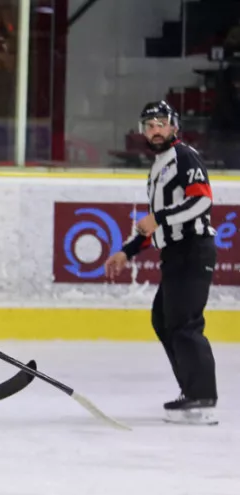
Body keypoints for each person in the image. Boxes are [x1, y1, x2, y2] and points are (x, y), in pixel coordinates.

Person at [104, 101, 219, 426]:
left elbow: (201, 200)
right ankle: (192, 391)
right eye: (148, 125)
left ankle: (201, 397)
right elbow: (156, 224)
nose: (154, 130)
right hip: (176, 253)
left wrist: (160, 218)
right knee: (164, 318)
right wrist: (127, 250)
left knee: (184, 322)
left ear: (174, 126)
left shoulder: (184, 157)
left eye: (160, 123)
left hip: (193, 250)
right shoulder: (158, 166)